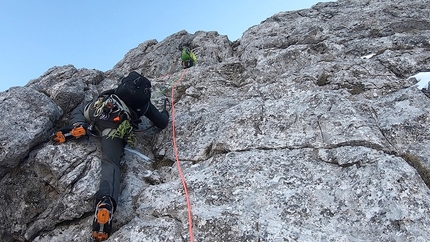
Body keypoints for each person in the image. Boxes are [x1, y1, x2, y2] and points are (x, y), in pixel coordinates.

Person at [52, 71, 169, 241]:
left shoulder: (119, 89)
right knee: (111, 163)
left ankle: (79, 126)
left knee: (80, 110)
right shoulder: (145, 104)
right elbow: (161, 122)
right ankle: (105, 203)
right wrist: (165, 113)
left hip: (97, 109)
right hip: (112, 128)